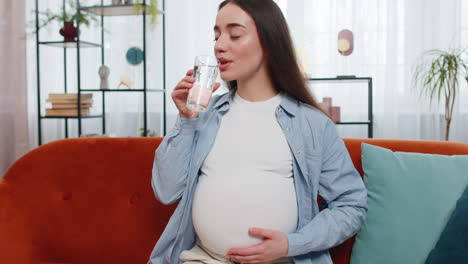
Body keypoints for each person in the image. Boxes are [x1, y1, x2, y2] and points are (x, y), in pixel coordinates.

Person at [148, 0, 367, 263]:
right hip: (203, 259)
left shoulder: (312, 124)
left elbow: (351, 205)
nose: (219, 45)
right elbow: (165, 190)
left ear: (269, 41)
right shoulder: (204, 117)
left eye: (235, 34)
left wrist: (291, 244)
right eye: (216, 35)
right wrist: (186, 120)